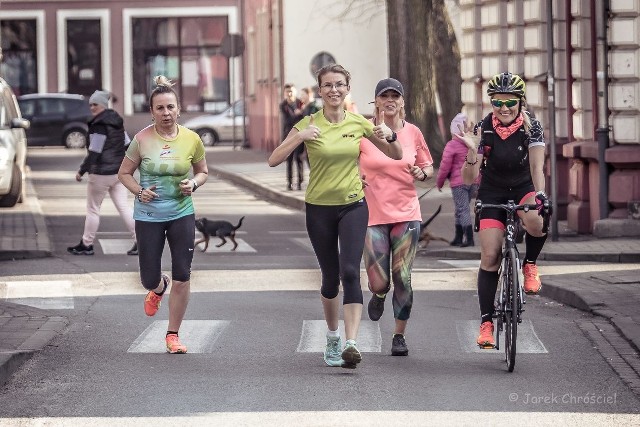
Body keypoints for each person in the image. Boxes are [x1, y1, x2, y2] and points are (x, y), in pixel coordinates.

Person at [268, 64, 403, 369]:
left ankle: (352, 343)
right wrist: (299, 137)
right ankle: (332, 337)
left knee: (350, 272)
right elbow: (274, 159)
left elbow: (395, 155)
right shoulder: (308, 122)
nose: (334, 90)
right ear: (319, 90)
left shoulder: (359, 123)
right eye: (327, 85)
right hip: (318, 208)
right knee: (330, 279)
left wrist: (390, 134)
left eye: (339, 85)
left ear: (347, 88)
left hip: (353, 205)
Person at [457, 72, 549, 349]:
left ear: (520, 101)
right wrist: (473, 152)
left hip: (522, 186)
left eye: (510, 102)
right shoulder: (483, 128)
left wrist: (541, 195)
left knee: (536, 221)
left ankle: (530, 264)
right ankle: (486, 323)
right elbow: (468, 179)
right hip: (492, 192)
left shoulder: (532, 127)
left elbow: (536, 168)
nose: (504, 108)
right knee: (489, 256)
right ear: (491, 103)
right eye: (497, 102)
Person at [118, 75, 208, 354]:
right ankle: (158, 288)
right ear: (152, 111)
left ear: (178, 109)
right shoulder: (142, 139)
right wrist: (138, 191)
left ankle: (172, 334)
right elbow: (124, 174)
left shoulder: (192, 139)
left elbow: (203, 172)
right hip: (148, 216)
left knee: (183, 274)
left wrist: (193, 183)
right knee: (148, 277)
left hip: (182, 212)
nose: (166, 113)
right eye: (160, 108)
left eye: (170, 107)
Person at [359, 78, 434, 356]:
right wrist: (356, 179)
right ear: (376, 101)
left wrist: (421, 173)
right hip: (372, 215)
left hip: (406, 213)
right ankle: (378, 295)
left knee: (403, 276)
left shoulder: (413, 133)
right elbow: (350, 161)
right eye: (384, 96)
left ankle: (398, 335)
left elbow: (427, 168)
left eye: (395, 96)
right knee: (380, 281)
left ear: (402, 102)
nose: (390, 100)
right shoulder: (365, 130)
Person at [67, 90, 137, 256]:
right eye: (90, 104)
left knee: (93, 209)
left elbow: (95, 151)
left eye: (95, 104)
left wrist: (82, 171)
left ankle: (87, 244)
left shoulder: (98, 124)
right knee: (124, 207)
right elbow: (128, 144)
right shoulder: (117, 121)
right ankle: (141, 241)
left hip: (101, 173)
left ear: (103, 105)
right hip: (119, 173)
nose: (92, 107)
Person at [436, 112, 480, 247]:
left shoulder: (452, 145)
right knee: (461, 209)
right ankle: (458, 237)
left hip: (459, 183)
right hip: (475, 181)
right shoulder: (474, 142)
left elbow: (444, 166)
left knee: (462, 209)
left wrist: (440, 182)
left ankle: (469, 238)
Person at [279, 84, 304, 190]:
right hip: (288, 136)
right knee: (289, 160)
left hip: (299, 135)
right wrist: (297, 115)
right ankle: (289, 182)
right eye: (287, 92)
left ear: (295, 92)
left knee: (298, 159)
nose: (289, 94)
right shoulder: (283, 105)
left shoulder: (300, 103)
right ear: (284, 93)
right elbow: (287, 120)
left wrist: (298, 115)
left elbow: (304, 119)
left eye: (291, 91)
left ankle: (300, 182)